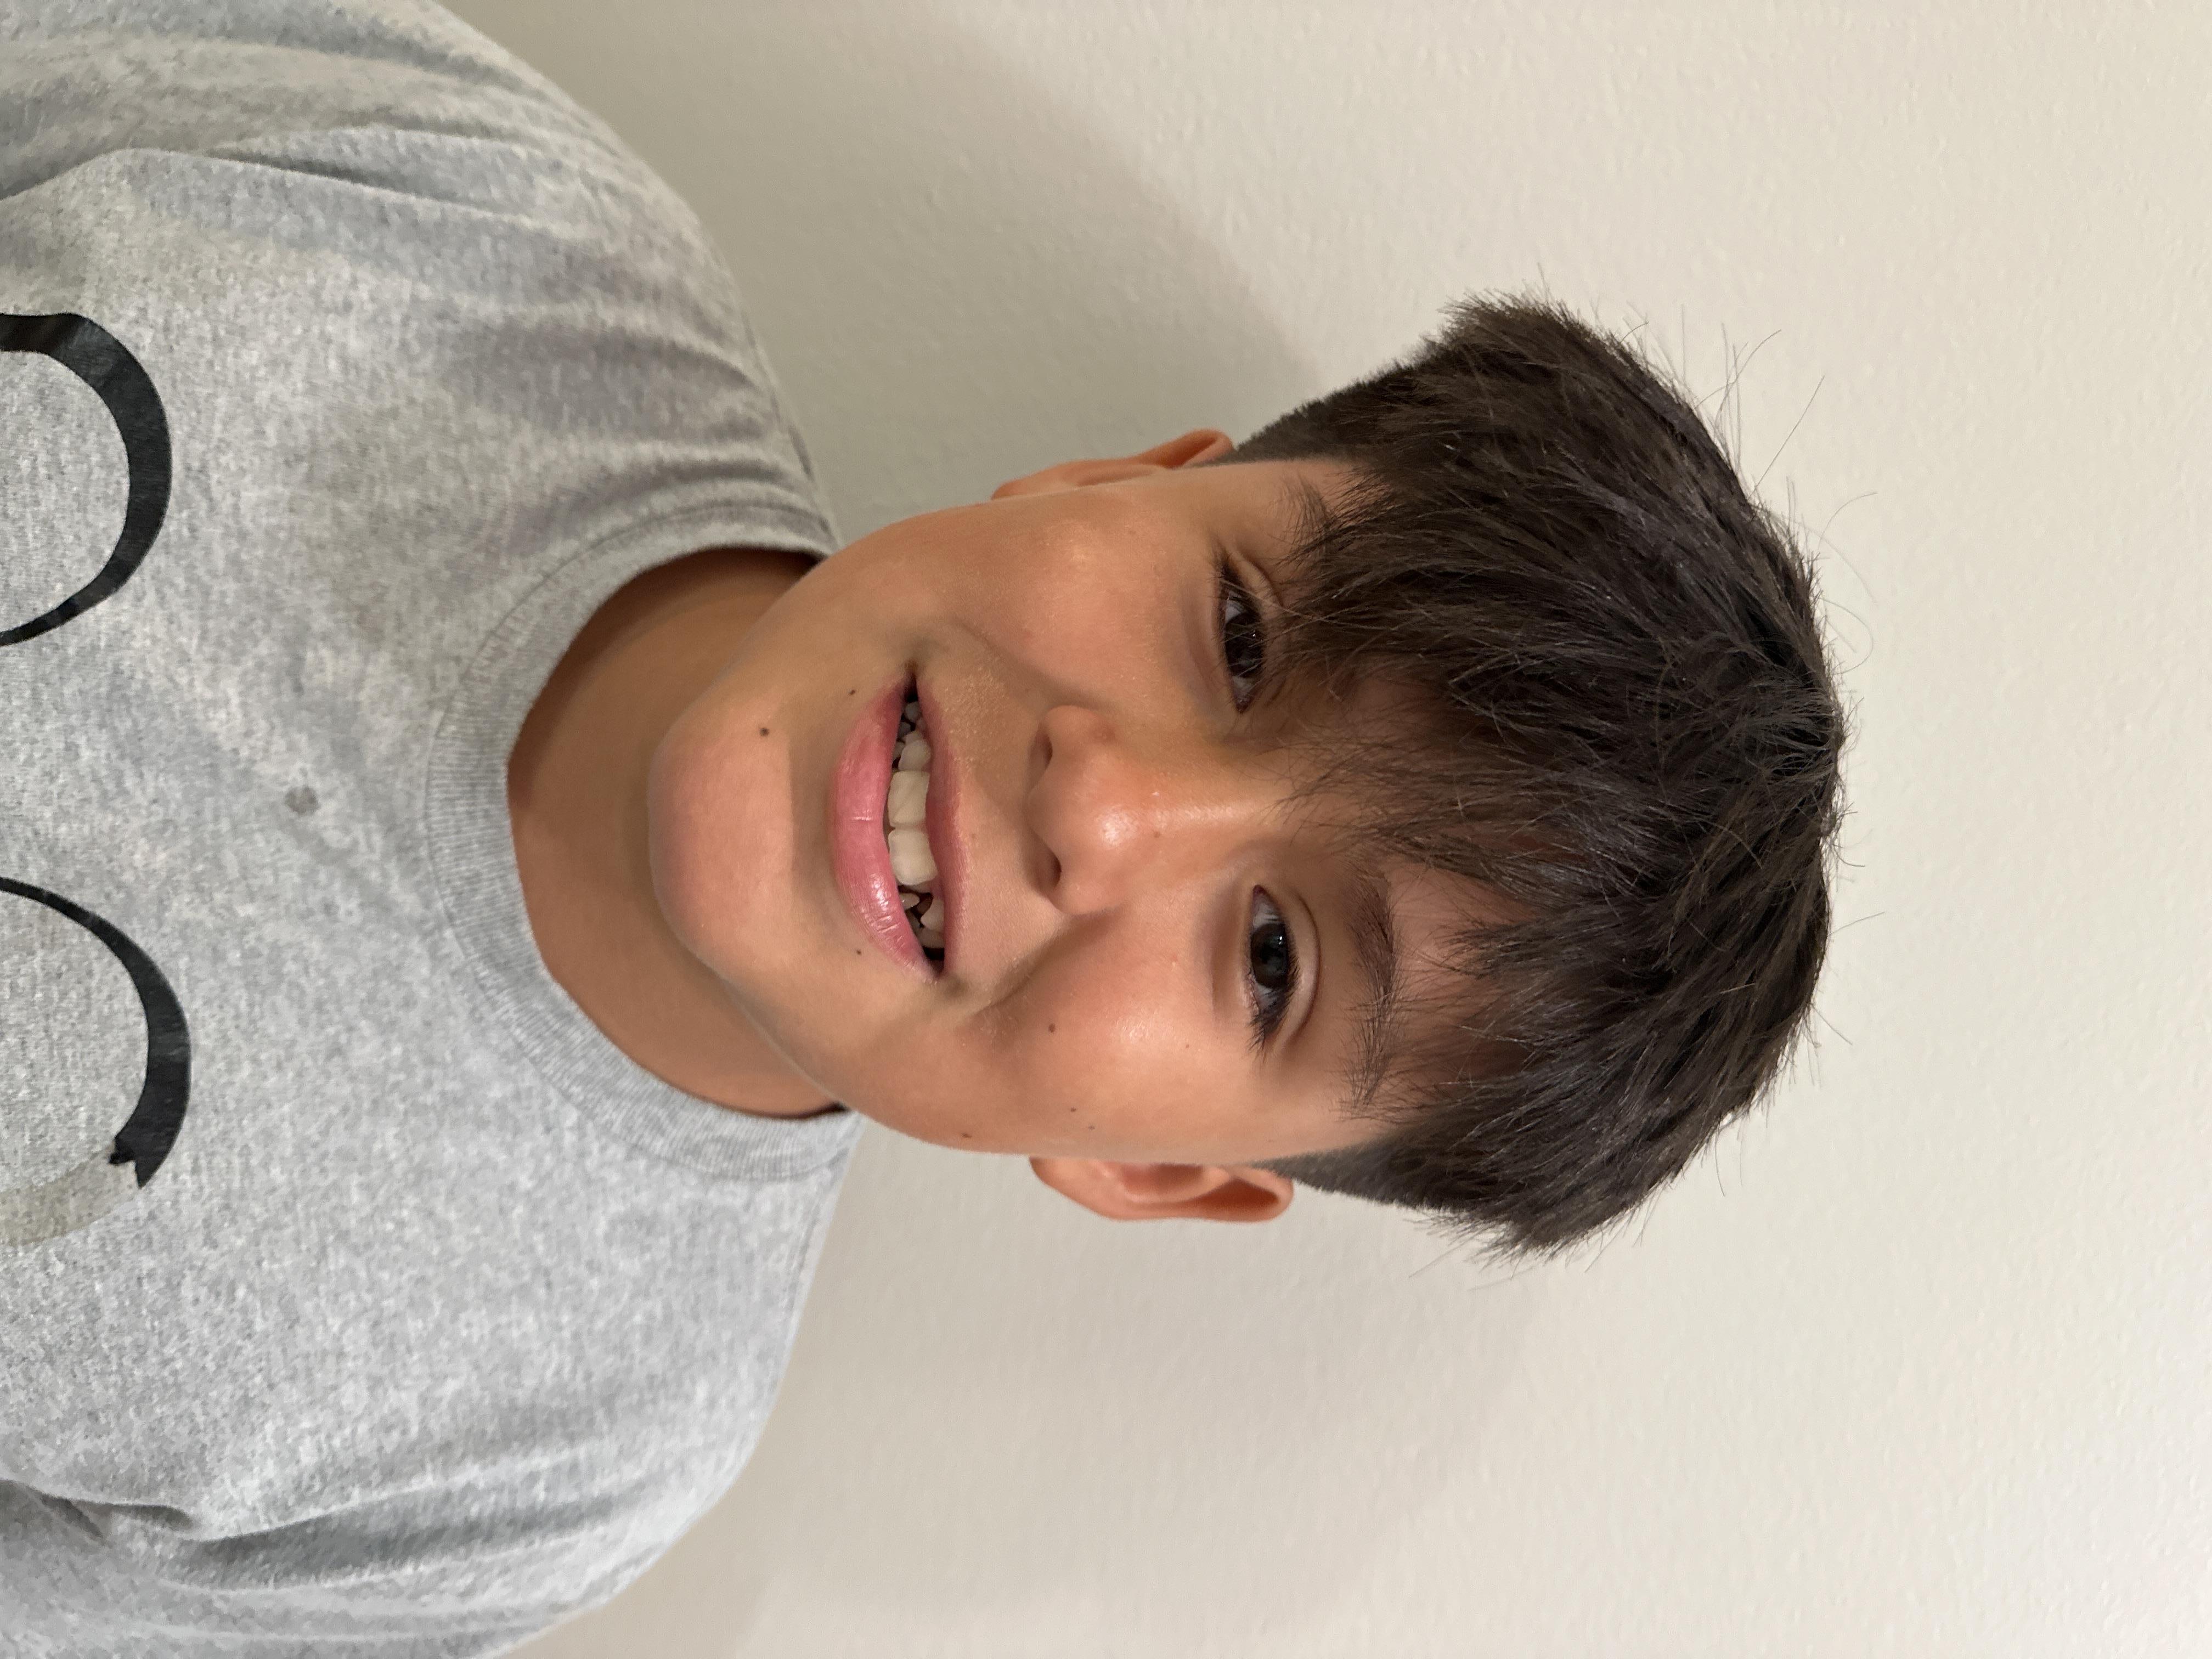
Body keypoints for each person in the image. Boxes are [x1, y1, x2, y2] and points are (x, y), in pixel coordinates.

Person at [0, 1, 1847, 1652]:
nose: (1107, 802)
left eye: (1276, 958)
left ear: (1155, 1167)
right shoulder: (488, 224)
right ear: (1112, 480)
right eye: (1237, 635)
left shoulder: (543, 1461)